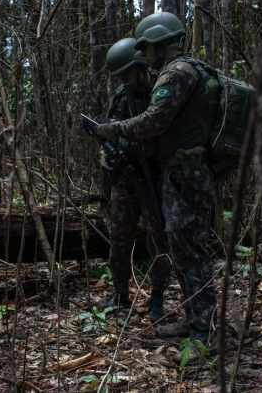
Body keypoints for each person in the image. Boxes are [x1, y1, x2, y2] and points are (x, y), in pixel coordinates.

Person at [95, 13, 220, 344]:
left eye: (147, 49)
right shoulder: (180, 73)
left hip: (178, 174)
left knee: (184, 249)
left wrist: (116, 130)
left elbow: (154, 122)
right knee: (182, 248)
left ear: (158, 44)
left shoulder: (175, 74)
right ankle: (197, 323)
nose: (145, 56)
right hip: (164, 176)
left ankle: (201, 330)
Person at [100, 37, 171, 321]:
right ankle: (119, 294)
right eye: (122, 76)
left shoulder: (162, 89)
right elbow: (111, 132)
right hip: (126, 178)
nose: (126, 81)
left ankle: (157, 298)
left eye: (128, 74)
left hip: (155, 178)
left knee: (159, 240)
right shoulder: (121, 97)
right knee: (119, 237)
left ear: (140, 66)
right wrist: (111, 152)